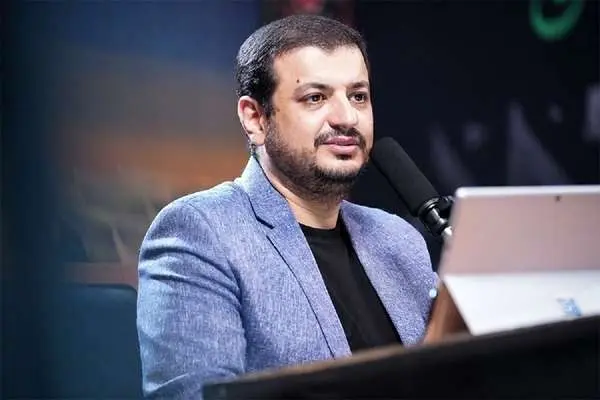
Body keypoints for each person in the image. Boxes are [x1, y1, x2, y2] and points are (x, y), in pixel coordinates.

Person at [137, 13, 438, 399]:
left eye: (358, 96)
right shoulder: (199, 233)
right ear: (255, 118)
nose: (347, 117)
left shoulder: (398, 239)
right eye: (316, 98)